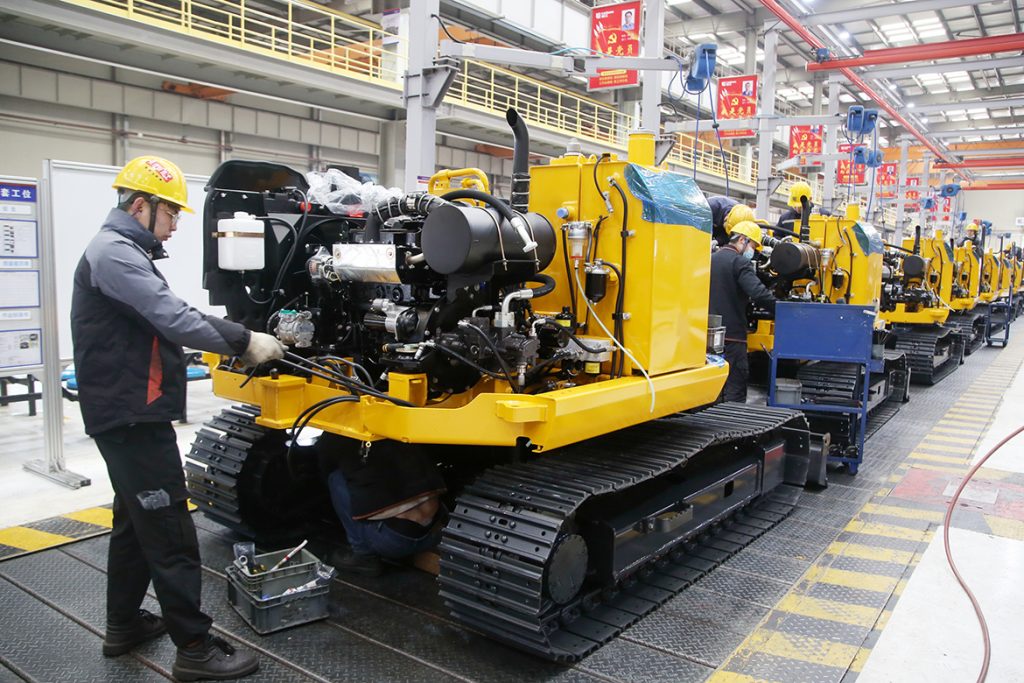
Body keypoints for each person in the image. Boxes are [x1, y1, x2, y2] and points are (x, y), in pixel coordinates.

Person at [71, 156, 285, 681]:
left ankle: (123, 625)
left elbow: (162, 316)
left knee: (135, 521)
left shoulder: (122, 251)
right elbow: (170, 315)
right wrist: (245, 340)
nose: (176, 224)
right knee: (169, 528)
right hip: (131, 416)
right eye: (171, 213)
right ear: (140, 206)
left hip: (128, 410)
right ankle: (194, 649)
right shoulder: (114, 252)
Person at [327, 441, 447, 576]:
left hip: (395, 541)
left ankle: (364, 557)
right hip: (437, 531)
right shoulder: (409, 438)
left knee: (336, 479)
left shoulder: (353, 445)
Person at [709, 221, 776, 403]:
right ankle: (731, 421)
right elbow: (758, 293)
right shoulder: (739, 262)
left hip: (708, 336)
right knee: (734, 388)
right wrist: (781, 309)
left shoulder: (711, 259)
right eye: (752, 246)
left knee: (712, 387)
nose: (752, 251)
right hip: (733, 338)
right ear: (742, 240)